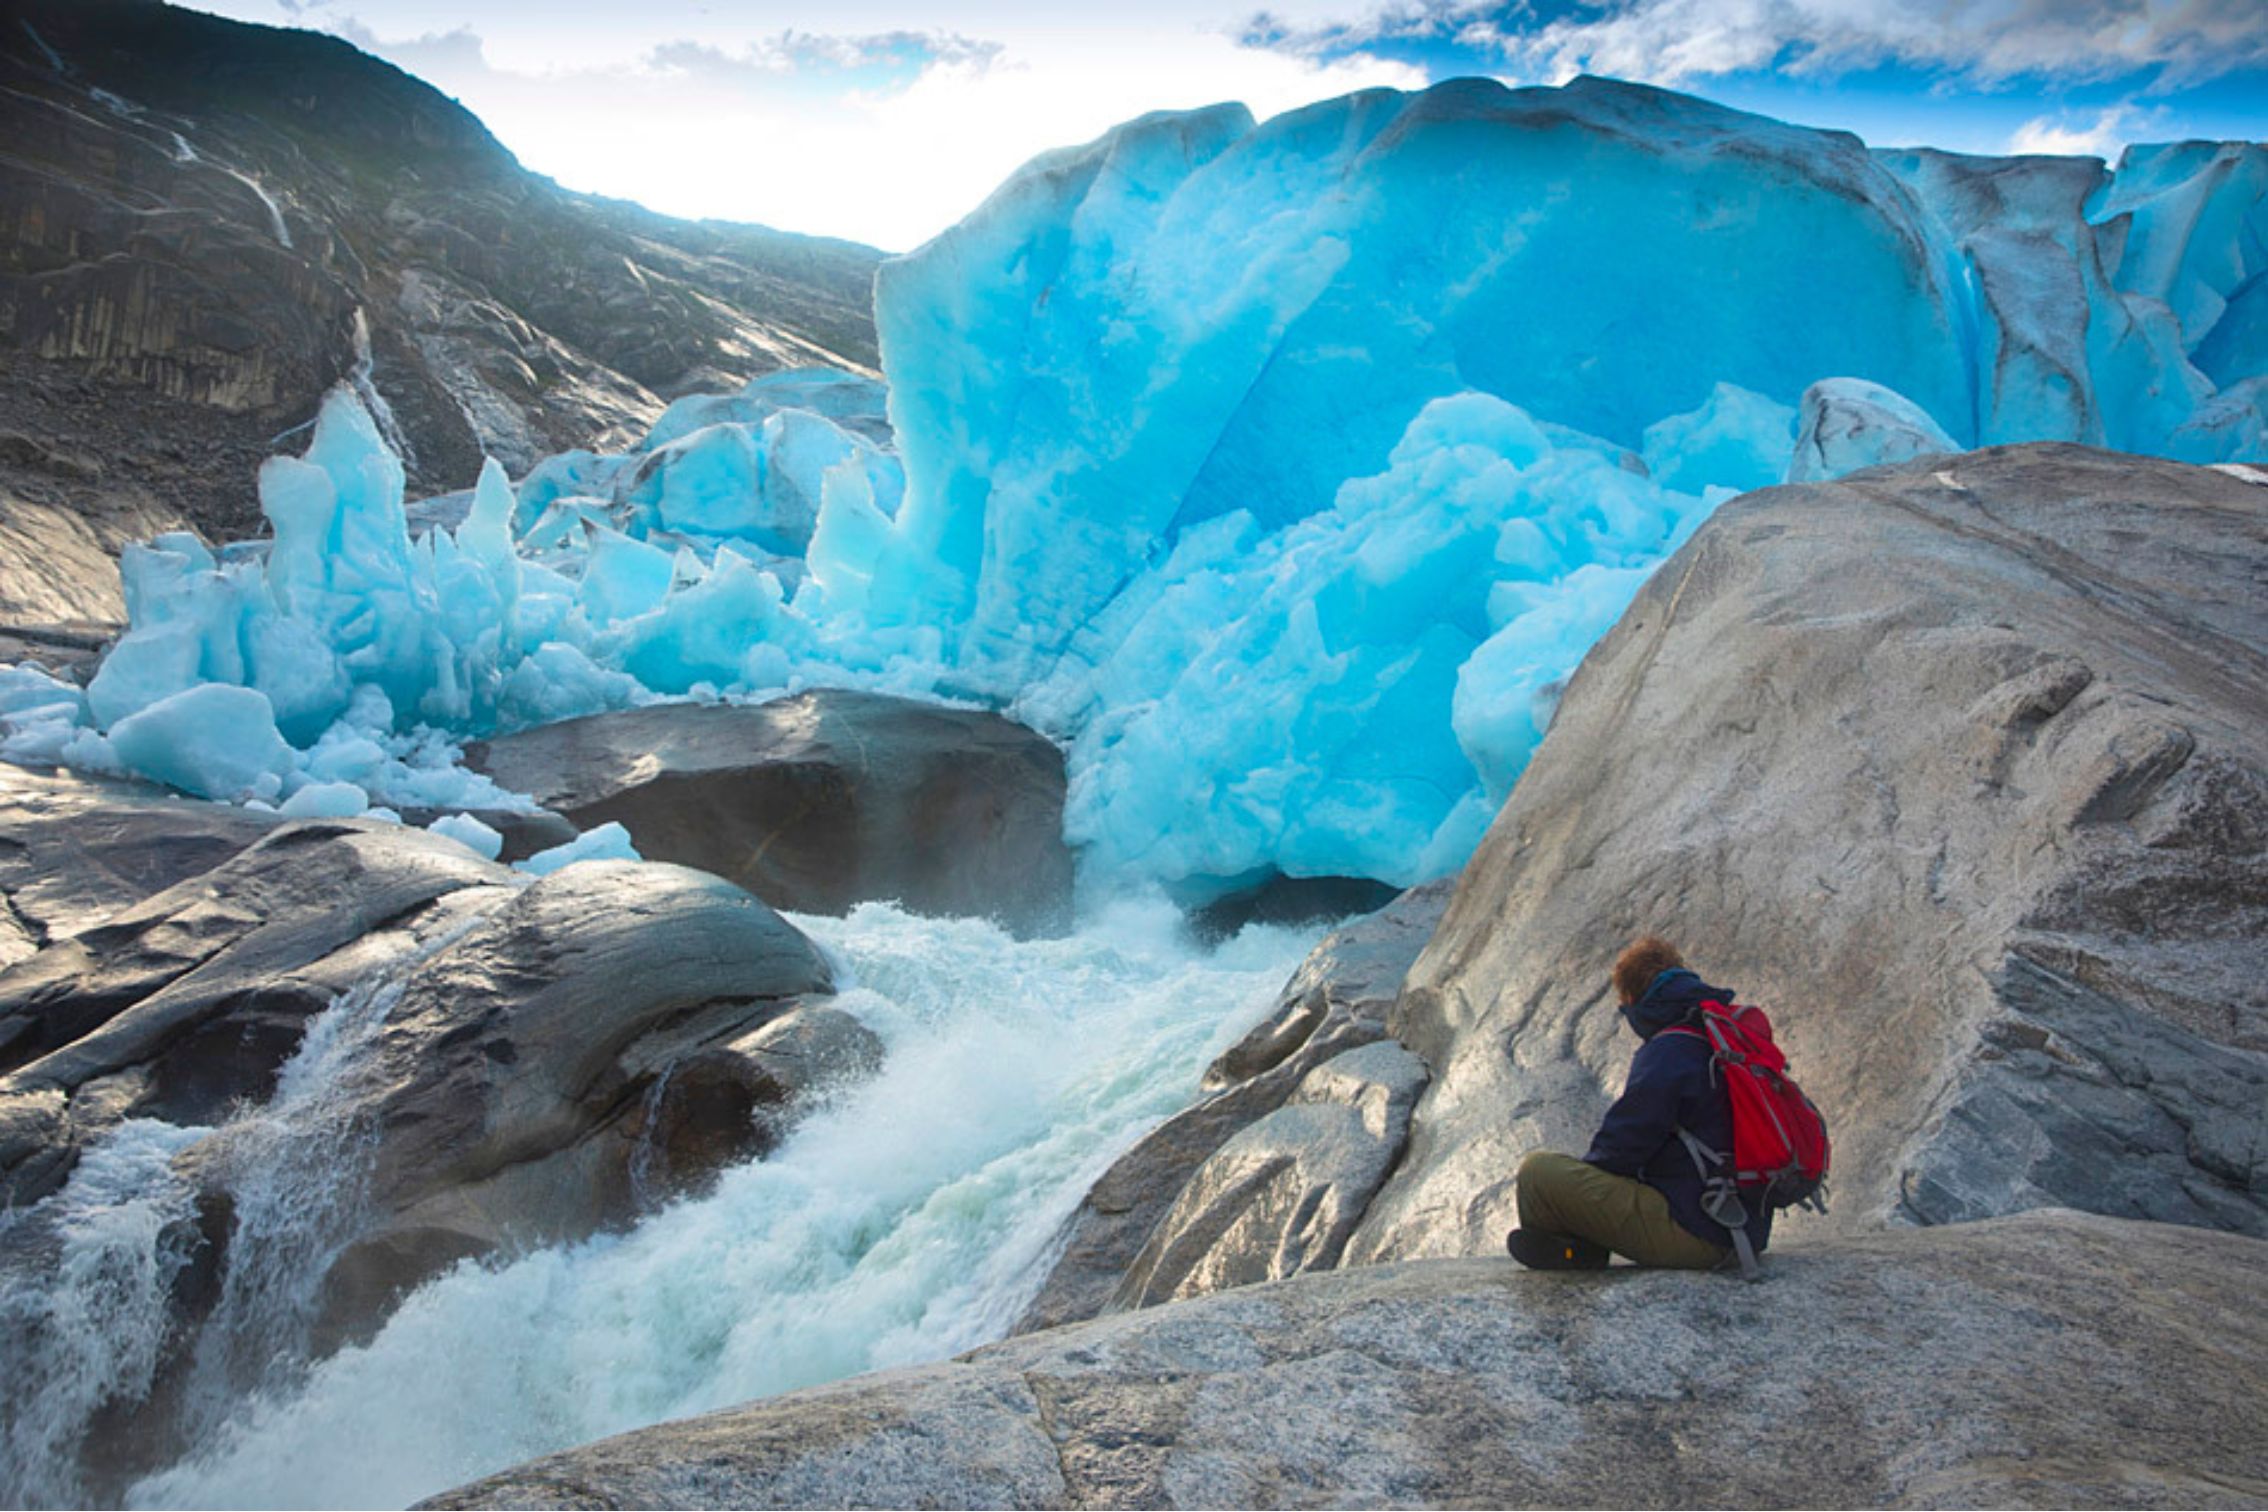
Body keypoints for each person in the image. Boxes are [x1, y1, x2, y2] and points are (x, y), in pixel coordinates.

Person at [1505, 936, 1772, 1270]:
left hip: (1698, 1234)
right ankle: (1578, 1249)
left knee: (1538, 1174)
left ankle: (1578, 1252)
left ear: (1632, 1000)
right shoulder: (1722, 1040)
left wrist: (1585, 1189)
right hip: (1740, 1228)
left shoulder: (1669, 1049)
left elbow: (1623, 1145)